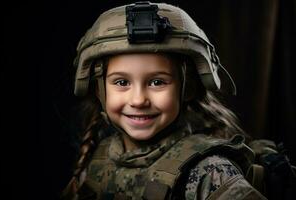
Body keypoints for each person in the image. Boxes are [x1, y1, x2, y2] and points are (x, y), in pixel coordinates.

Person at [61, 1, 268, 199]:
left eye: (157, 82)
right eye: (122, 82)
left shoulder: (210, 171)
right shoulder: (100, 156)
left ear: (187, 88)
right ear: (99, 90)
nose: (139, 100)